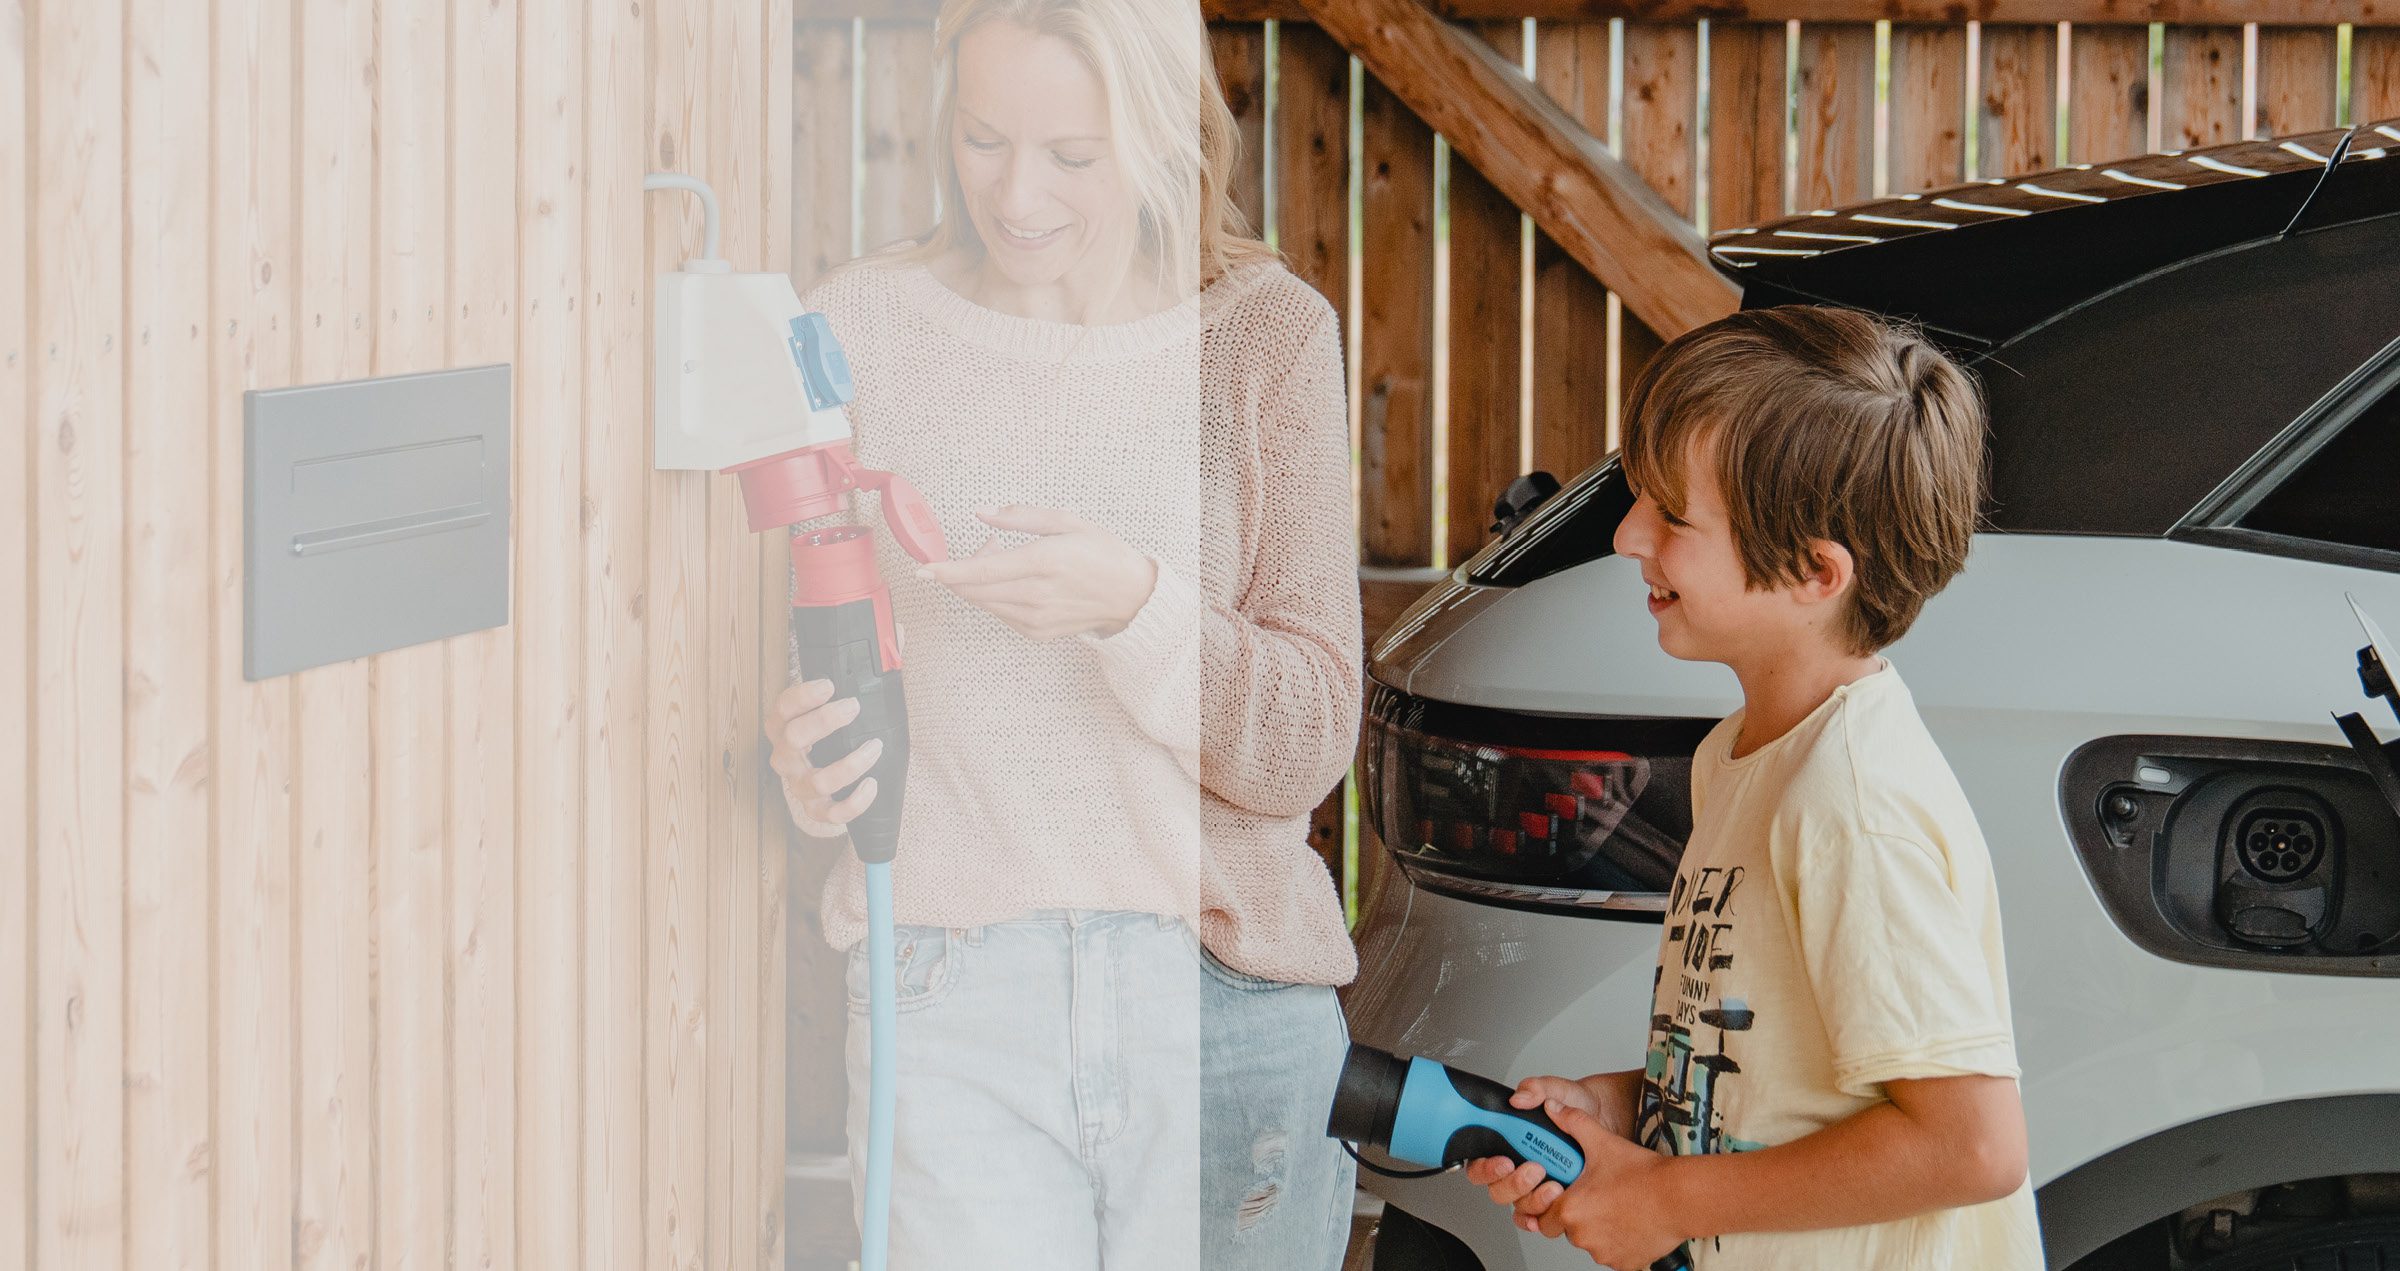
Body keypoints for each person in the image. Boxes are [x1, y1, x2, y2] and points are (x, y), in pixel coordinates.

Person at [763, 0, 1361, 1266]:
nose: (1016, 193)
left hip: (1221, 1001)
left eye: (1072, 157)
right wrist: (813, 766)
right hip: (945, 991)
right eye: (984, 140)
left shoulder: (1265, 338)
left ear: (1162, 133)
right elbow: (802, 659)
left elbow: (1307, 737)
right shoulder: (858, 328)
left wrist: (1135, 606)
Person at [1465, 307, 2043, 1269]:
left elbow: (1972, 1143)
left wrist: (1668, 1196)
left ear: (1816, 571)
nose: (1627, 535)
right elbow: (1772, 1079)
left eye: (1672, 513)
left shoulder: (1850, 804)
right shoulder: (1747, 753)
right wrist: (1621, 1112)